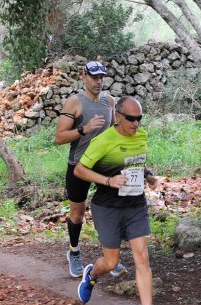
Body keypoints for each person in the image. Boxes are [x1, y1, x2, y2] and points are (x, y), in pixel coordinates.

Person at [74, 96, 165, 305]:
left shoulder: (142, 136)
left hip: (135, 205)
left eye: (139, 119)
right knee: (112, 262)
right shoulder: (103, 141)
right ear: (118, 117)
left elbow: (136, 162)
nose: (136, 124)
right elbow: (80, 170)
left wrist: (149, 175)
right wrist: (108, 180)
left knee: (142, 257)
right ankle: (92, 273)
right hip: (107, 207)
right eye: (131, 119)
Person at [55, 61, 127, 278]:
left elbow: (114, 131)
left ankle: (110, 259)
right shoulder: (75, 103)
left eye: (101, 77)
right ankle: (74, 252)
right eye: (94, 77)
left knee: (111, 210)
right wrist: (83, 129)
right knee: (77, 213)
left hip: (103, 165)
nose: (98, 81)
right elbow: (59, 138)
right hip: (79, 166)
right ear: (83, 76)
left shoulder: (109, 101)